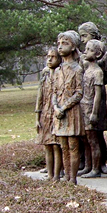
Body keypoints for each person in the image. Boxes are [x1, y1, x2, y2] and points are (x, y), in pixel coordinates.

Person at [52, 30, 84, 185]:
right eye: (59, 43)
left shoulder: (77, 69)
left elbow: (79, 93)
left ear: (73, 47)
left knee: (73, 146)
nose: (60, 47)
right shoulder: (57, 70)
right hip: (59, 113)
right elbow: (53, 91)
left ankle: (73, 178)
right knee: (63, 146)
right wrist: (55, 107)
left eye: (64, 43)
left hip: (71, 113)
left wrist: (63, 107)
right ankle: (66, 176)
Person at [80, 40, 107, 178]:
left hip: (92, 108)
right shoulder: (87, 69)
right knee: (86, 140)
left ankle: (96, 168)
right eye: (85, 49)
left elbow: (98, 95)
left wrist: (94, 113)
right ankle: (88, 166)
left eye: (89, 49)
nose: (85, 52)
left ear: (97, 54)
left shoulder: (97, 72)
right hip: (84, 106)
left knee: (94, 140)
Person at [35, 47, 62, 181]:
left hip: (56, 113)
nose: (49, 59)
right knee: (47, 146)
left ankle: (57, 175)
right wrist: (37, 117)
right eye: (48, 56)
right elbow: (39, 97)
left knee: (57, 146)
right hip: (45, 113)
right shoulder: (45, 74)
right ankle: (50, 174)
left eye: (53, 57)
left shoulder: (60, 74)